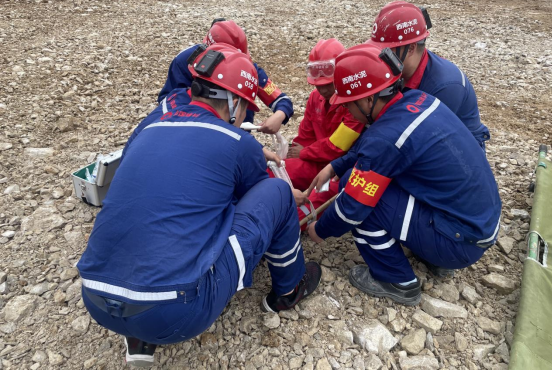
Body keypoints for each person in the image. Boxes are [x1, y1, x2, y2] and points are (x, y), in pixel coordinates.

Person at [77, 44, 321, 367]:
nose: (244, 118)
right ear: (234, 104)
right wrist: (287, 192)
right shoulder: (238, 142)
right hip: (176, 313)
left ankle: (137, 336)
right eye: (245, 110)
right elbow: (255, 200)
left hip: (95, 298)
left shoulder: (150, 127)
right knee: (277, 192)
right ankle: (288, 290)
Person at [306, 45, 501, 306]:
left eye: (349, 104)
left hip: (461, 241)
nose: (347, 111)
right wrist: (335, 166)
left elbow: (352, 207)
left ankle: (397, 280)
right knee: (357, 179)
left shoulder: (387, 136)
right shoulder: (416, 100)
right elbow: (373, 147)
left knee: (358, 196)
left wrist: (320, 229)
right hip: (479, 223)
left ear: (368, 100)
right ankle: (432, 254)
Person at [366, 1, 490, 148]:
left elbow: (418, 142)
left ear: (410, 48)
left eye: (386, 50)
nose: (379, 56)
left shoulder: (446, 86)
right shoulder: (398, 70)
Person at [271, 39, 364, 228]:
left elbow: (338, 146)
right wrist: (297, 155)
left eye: (328, 84)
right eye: (317, 84)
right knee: (275, 170)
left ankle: (276, 228)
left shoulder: (354, 100)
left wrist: (304, 152)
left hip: (340, 170)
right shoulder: (316, 97)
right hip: (315, 160)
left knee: (313, 200)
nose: (322, 89)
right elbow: (304, 137)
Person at [158, 18, 294, 134]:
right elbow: (167, 102)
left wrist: (280, 114)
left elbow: (280, 98)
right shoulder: (185, 61)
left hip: (237, 134)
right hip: (192, 130)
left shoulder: (246, 68)